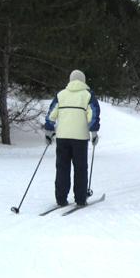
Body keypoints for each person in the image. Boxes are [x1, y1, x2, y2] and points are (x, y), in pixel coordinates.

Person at [44, 69, 100, 206]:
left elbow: (51, 113)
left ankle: (61, 199)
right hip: (80, 138)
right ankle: (80, 199)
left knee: (62, 168)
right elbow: (93, 115)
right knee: (80, 168)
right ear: (83, 80)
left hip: (62, 138)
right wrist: (94, 133)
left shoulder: (61, 95)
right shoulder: (87, 95)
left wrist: (49, 131)